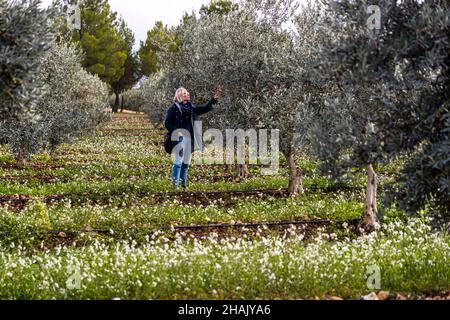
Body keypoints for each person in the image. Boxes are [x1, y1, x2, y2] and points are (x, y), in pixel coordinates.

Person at [164, 87, 222, 190]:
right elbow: (168, 123)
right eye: (185, 93)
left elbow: (205, 108)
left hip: (190, 139)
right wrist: (177, 132)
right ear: (180, 95)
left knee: (186, 163)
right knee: (178, 162)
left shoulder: (192, 108)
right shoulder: (173, 109)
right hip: (180, 139)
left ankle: (184, 185)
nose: (188, 93)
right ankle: (175, 186)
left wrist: (214, 99)